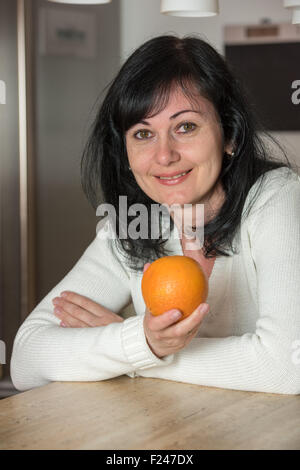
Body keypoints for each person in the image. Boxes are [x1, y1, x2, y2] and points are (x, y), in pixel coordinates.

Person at [11, 35, 300, 394]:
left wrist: (141, 353)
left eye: (186, 127)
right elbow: (26, 359)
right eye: (144, 133)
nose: (164, 156)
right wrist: (140, 342)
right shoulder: (132, 224)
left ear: (230, 135)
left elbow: (288, 366)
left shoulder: (276, 198)